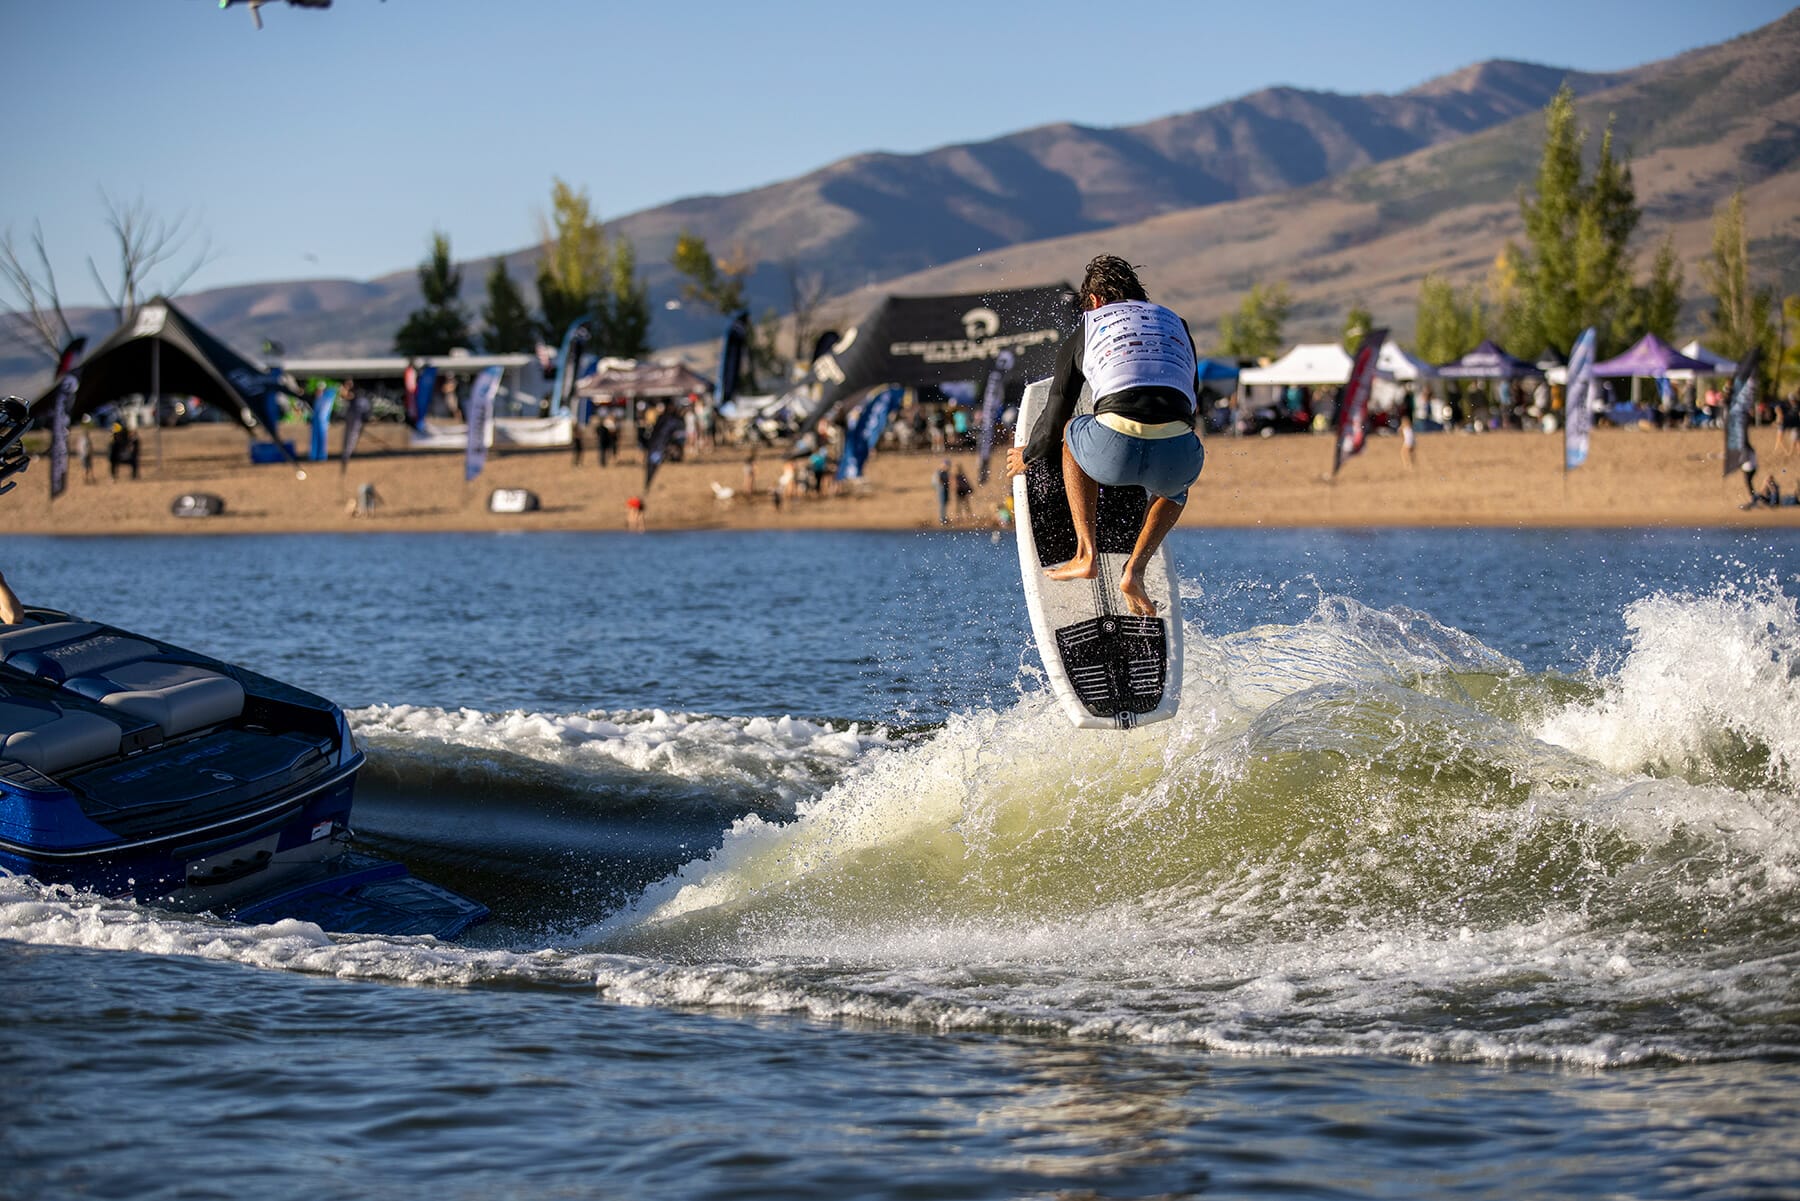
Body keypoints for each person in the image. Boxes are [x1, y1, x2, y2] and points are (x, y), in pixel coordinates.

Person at [1006, 254, 1202, 617]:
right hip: (1178, 455)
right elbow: (1192, 403)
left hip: (1113, 451)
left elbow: (1055, 413)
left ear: (1094, 301)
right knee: (1176, 488)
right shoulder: (1176, 323)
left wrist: (1029, 456)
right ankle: (1135, 570)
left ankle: (1085, 554)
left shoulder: (1090, 325)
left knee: (1071, 431)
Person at [934, 458, 951, 525]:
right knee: (942, 504)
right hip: (942, 489)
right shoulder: (939, 472)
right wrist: (941, 486)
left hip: (946, 489)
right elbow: (937, 481)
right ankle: (942, 519)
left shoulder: (946, 472)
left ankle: (944, 518)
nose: (947, 467)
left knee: (945, 503)